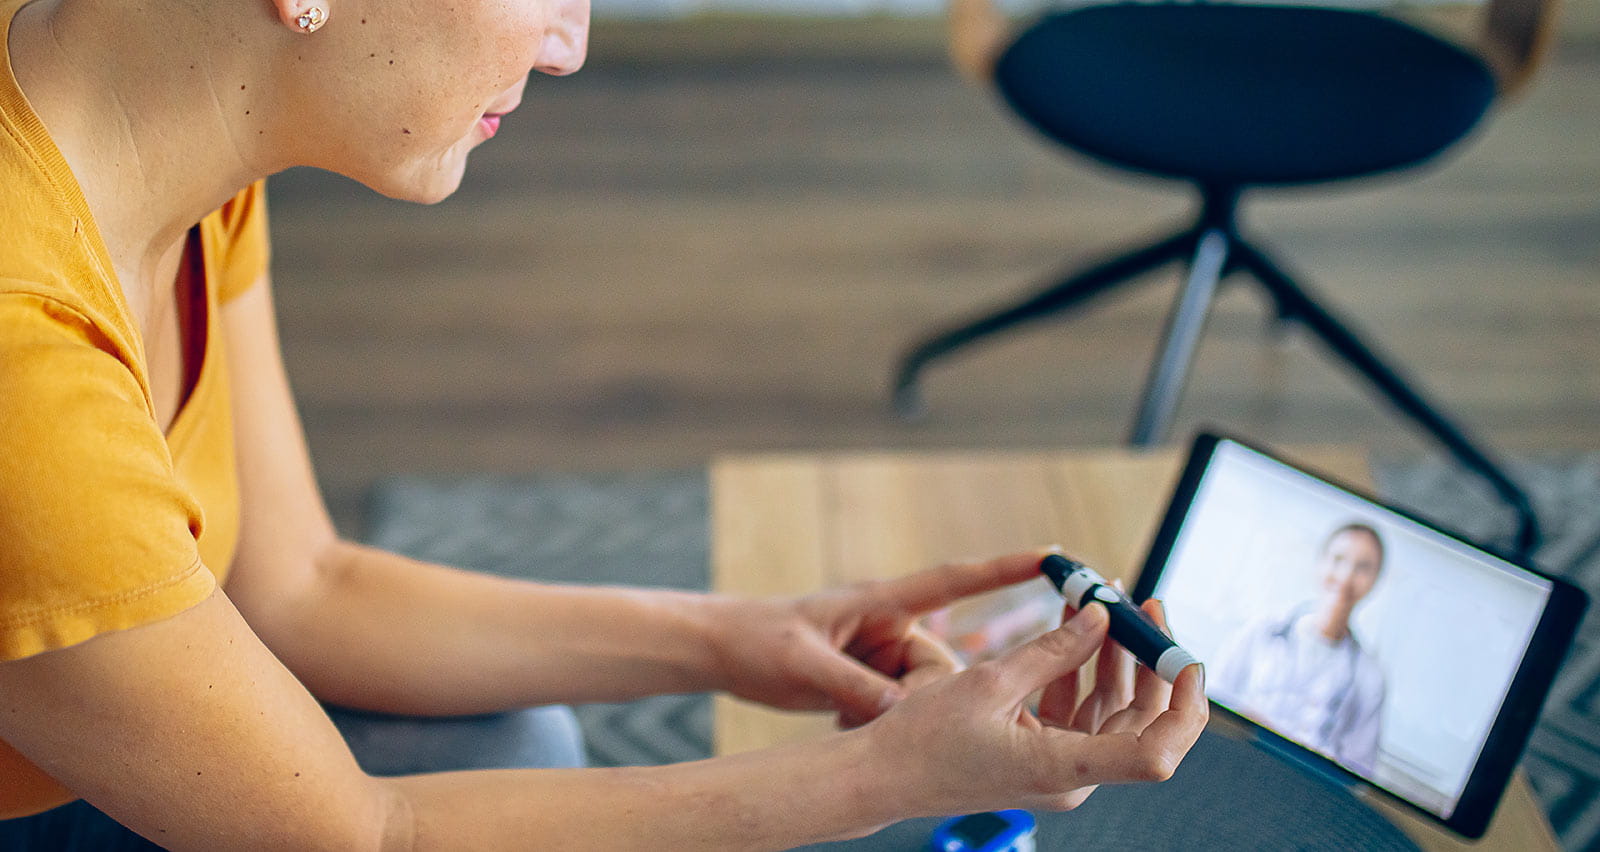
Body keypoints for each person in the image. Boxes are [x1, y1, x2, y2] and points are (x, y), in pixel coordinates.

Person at [0, 0, 1208, 847]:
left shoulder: (167, 116)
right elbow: (359, 837)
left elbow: (297, 586)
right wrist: (888, 774)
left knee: (513, 731)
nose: (571, 44)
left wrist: (743, 636)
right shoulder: (22, 374)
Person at [1210, 523, 1389, 776]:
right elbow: (1212, 696)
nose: (1346, 575)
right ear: (1320, 562)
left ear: (1374, 581)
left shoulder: (1369, 677)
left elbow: (1358, 770)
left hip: (1305, 787)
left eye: (1363, 567)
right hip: (1231, 759)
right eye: (1338, 559)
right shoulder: (1263, 629)